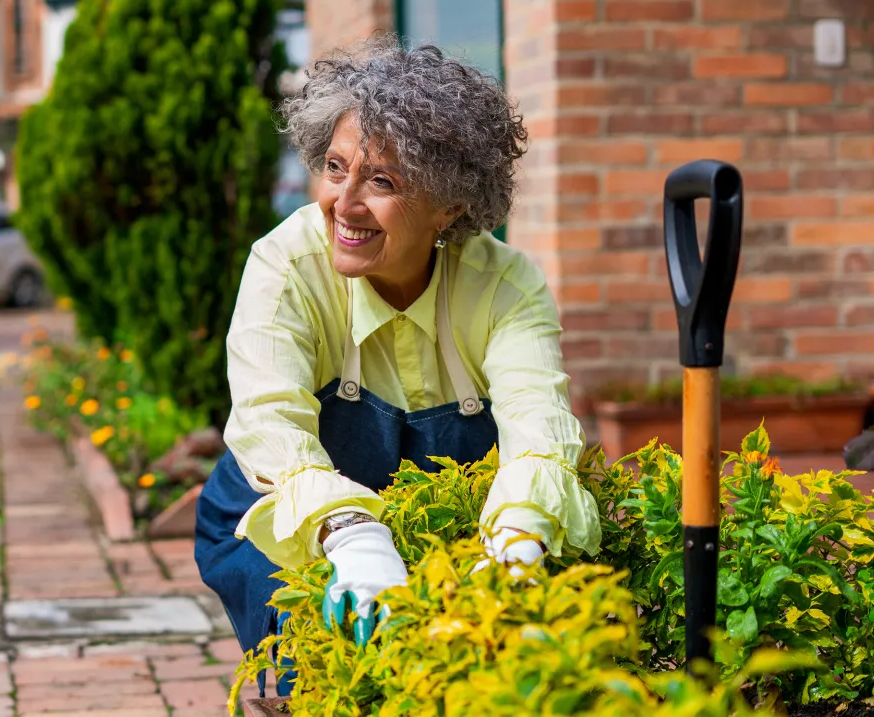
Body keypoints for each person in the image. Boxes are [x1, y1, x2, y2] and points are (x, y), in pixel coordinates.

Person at [193, 38, 603, 696]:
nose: (343, 202)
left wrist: (518, 544)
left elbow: (539, 427)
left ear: (451, 205)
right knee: (327, 672)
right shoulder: (285, 265)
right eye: (335, 167)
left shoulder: (505, 286)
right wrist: (352, 533)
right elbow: (271, 424)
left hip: (447, 519)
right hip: (284, 517)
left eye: (382, 181)